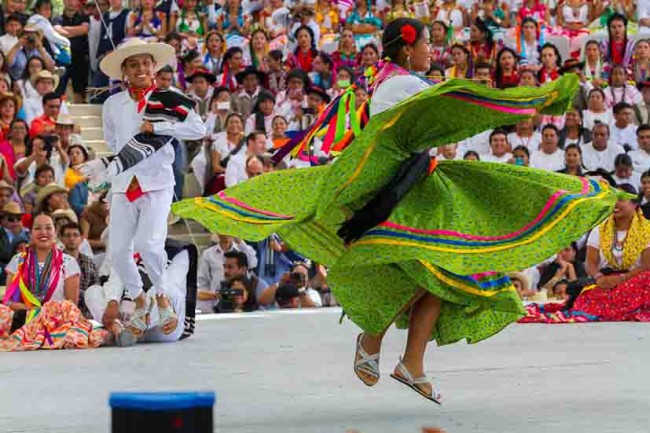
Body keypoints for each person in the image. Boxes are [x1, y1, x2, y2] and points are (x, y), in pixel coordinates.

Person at [174, 18, 624, 403]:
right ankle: (379, 342)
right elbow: (449, 116)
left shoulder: (386, 82)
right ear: (408, 48)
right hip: (410, 198)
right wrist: (536, 100)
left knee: (445, 277)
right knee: (439, 270)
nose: (432, 50)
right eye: (427, 43)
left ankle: (410, 362)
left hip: (420, 188)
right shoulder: (404, 86)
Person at [87, 38, 205, 337]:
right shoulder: (113, 104)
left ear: (154, 67)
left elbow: (198, 129)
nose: (140, 69)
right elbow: (113, 143)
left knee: (148, 245)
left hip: (157, 183)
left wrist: (161, 128)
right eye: (133, 64)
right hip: (124, 184)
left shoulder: (167, 97)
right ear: (124, 71)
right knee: (119, 252)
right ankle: (141, 298)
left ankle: (162, 296)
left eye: (145, 63)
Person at [521, 185, 650, 323]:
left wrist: (623, 278)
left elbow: (646, 265)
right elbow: (591, 263)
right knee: (592, 295)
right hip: (605, 279)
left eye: (621, 199)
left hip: (635, 278)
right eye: (612, 199)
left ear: (635, 204)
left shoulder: (647, 229)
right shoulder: (600, 229)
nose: (615, 203)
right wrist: (599, 277)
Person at [0, 214, 108, 351]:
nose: (43, 232)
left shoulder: (67, 262)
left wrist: (46, 312)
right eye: (38, 228)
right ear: (31, 233)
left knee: (69, 313)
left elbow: (71, 304)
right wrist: (30, 310)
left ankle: (41, 334)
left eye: (48, 228)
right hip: (24, 316)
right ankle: (37, 334)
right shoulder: (18, 261)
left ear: (55, 233)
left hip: (55, 320)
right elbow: (9, 301)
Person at [59, 221, 98, 314]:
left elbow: (96, 288)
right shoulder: (55, 260)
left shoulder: (89, 262)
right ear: (61, 239)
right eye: (67, 235)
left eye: (75, 235)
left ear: (81, 239)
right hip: (62, 310)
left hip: (86, 312)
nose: (71, 238)